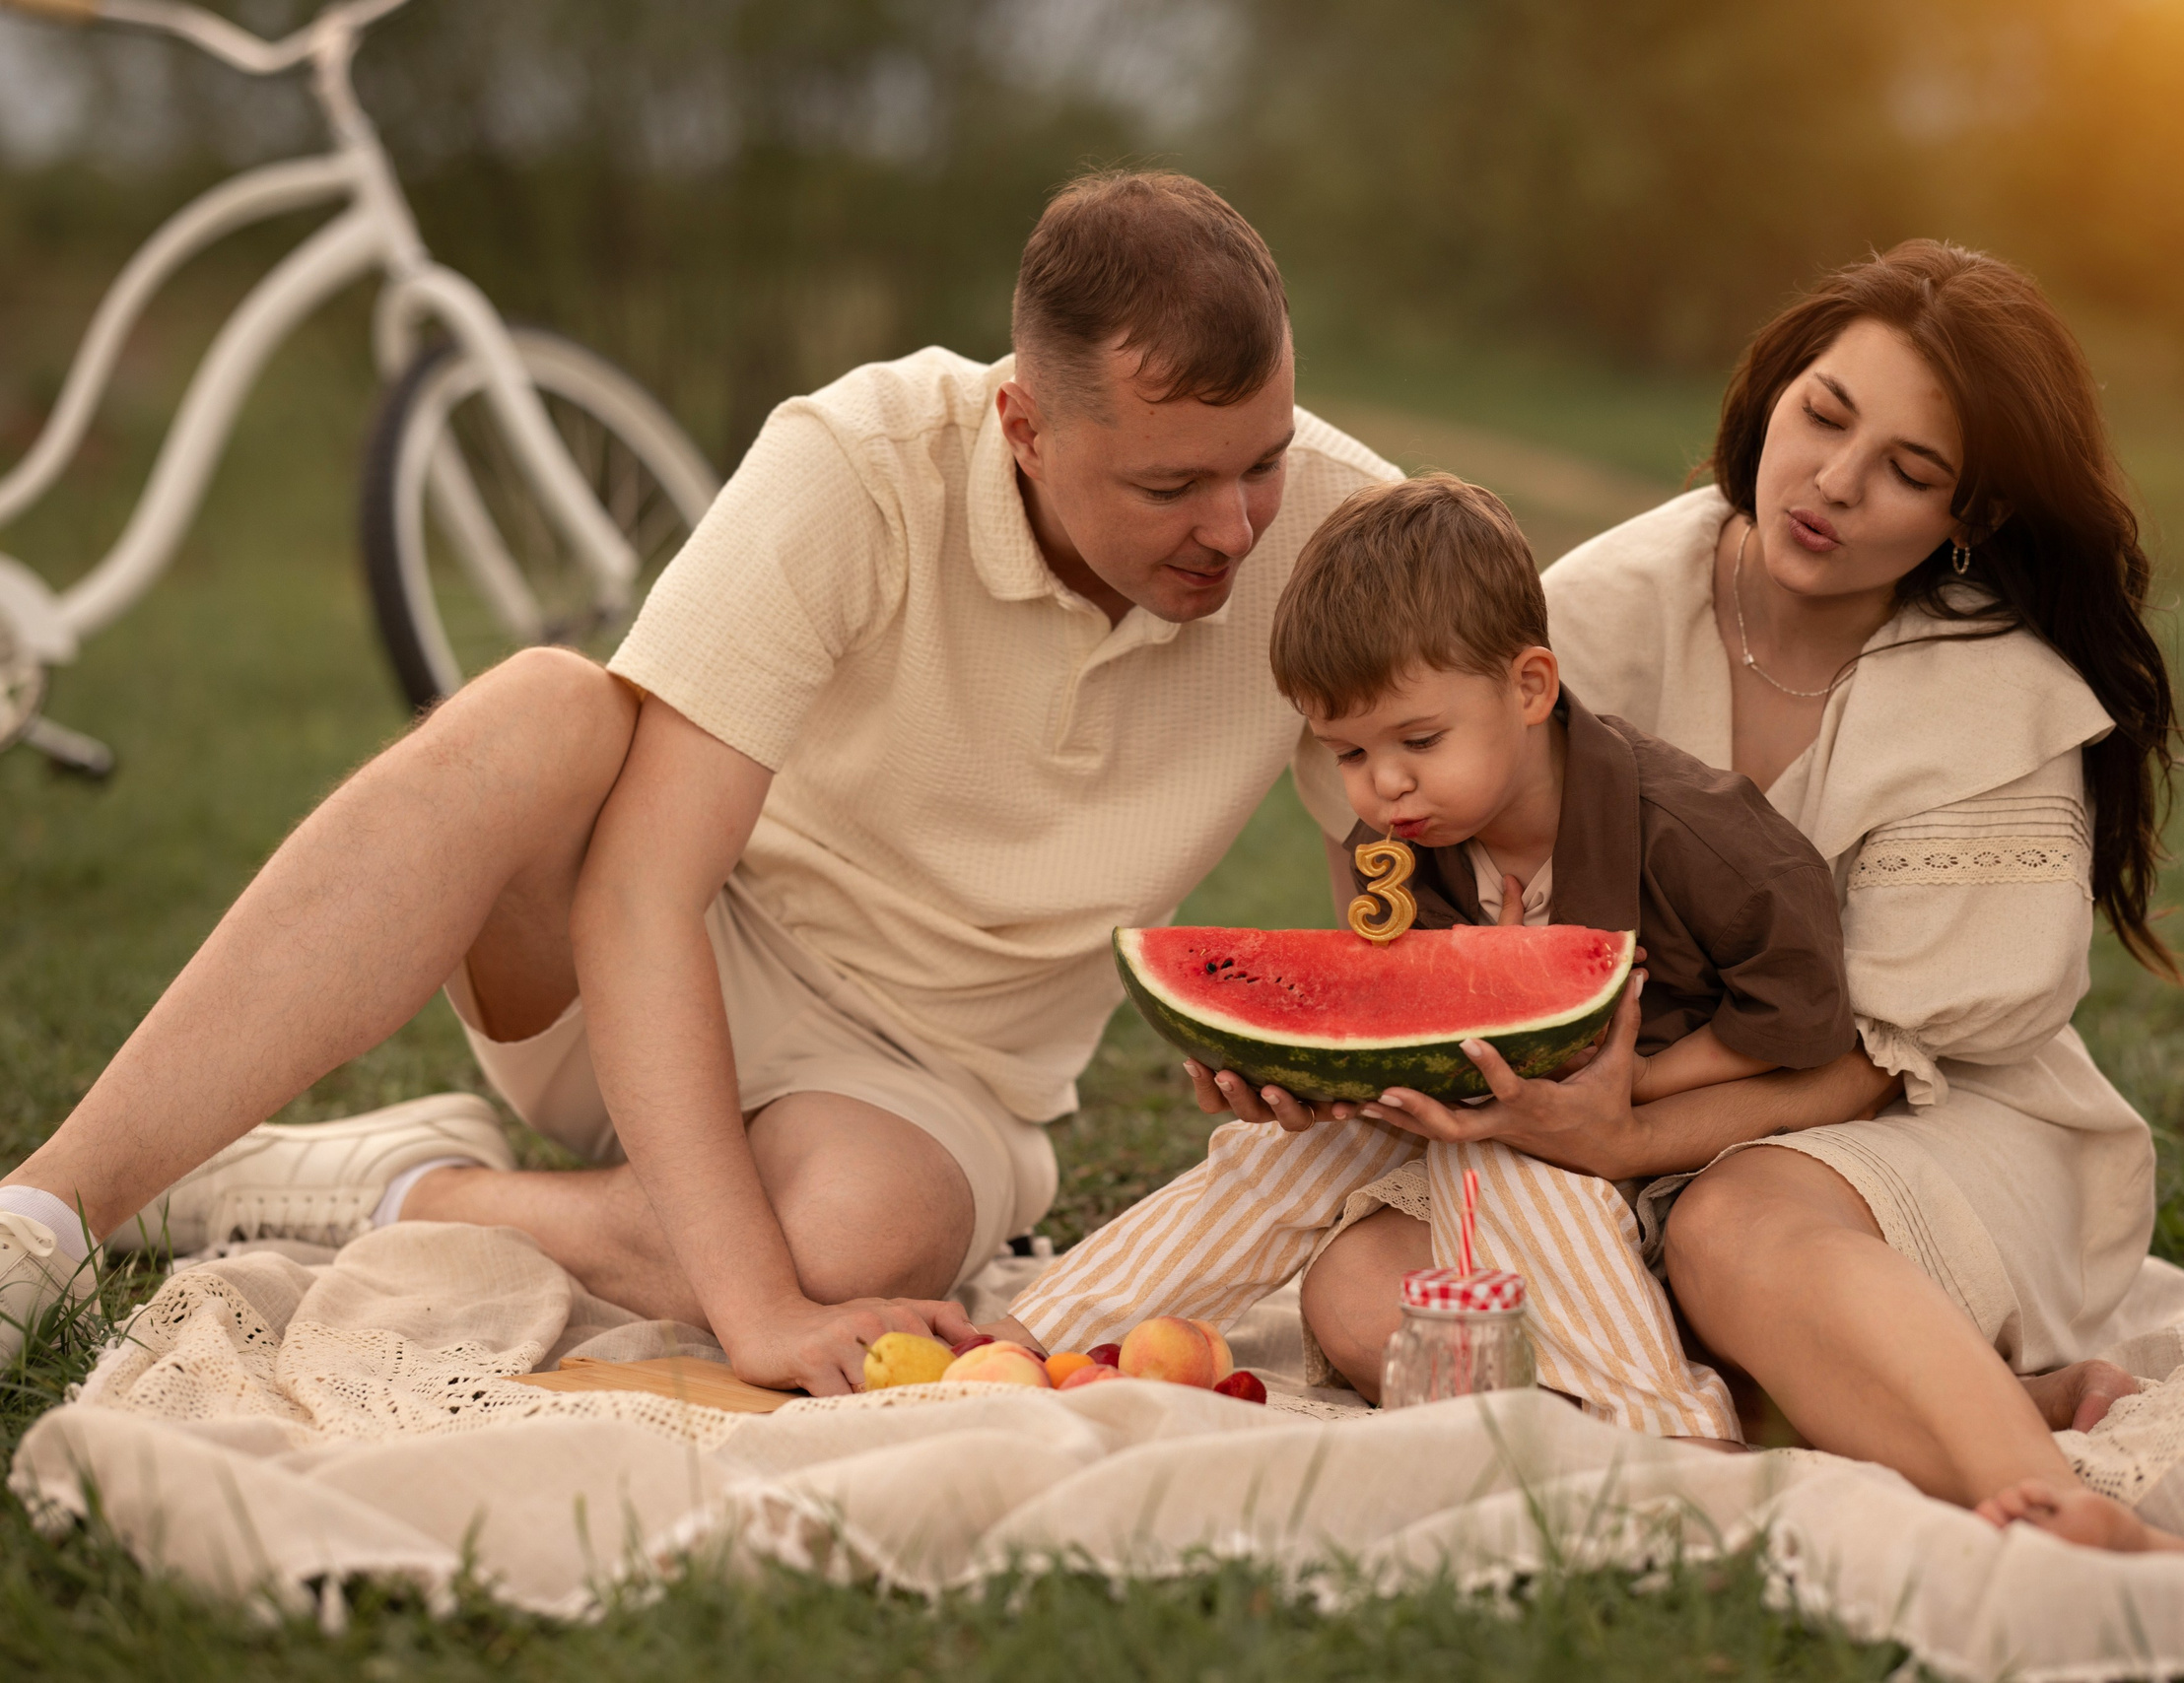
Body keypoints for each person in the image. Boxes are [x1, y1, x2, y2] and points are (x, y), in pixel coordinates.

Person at [0, 170, 1399, 1395]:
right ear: (1024, 423)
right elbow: (640, 889)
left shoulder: (1343, 534)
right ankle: (43, 1214)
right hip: (658, 959)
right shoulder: (855, 465)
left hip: (934, 1085)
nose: (1234, 526)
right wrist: (756, 1312)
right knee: (546, 703)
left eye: (1262, 463)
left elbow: (1401, 873)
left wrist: (1357, 1040)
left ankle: (398, 1187)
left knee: (850, 1240)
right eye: (1172, 488)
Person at [1280, 241, 2184, 1552]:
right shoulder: (1590, 614)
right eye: (1826, 415)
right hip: (1596, 1100)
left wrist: (1624, 1132)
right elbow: (1391, 836)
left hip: (1928, 1111)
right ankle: (1773, 1409)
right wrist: (1359, 1036)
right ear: (1773, 393)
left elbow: (1874, 1062)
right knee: (1372, 1289)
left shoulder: (1995, 700)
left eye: (1910, 470)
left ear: (1969, 518)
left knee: (1732, 1219)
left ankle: (2050, 1500)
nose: (1834, 482)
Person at [993, 473, 1854, 1436]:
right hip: (1469, 1111)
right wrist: (1297, 1074)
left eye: (1417, 738)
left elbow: (1804, 1017)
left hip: (1655, 1160)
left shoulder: (1698, 834)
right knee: (1272, 1155)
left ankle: (1667, 1428)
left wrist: (1628, 1089)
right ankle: (1024, 1346)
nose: (1384, 785)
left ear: (1529, 687)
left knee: (1524, 1171)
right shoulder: (1399, 846)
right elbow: (1415, 1027)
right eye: (1348, 754)